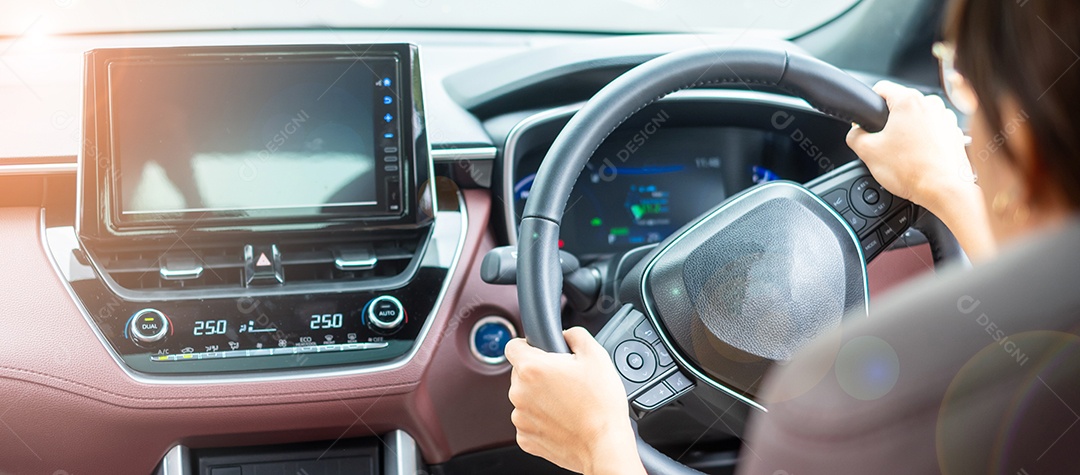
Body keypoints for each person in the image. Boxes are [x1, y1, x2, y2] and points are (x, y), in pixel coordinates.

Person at [504, 0, 1080, 473]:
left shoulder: (830, 428)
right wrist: (947, 187)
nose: (965, 129)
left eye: (962, 82)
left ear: (1025, 140)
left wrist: (601, 444)